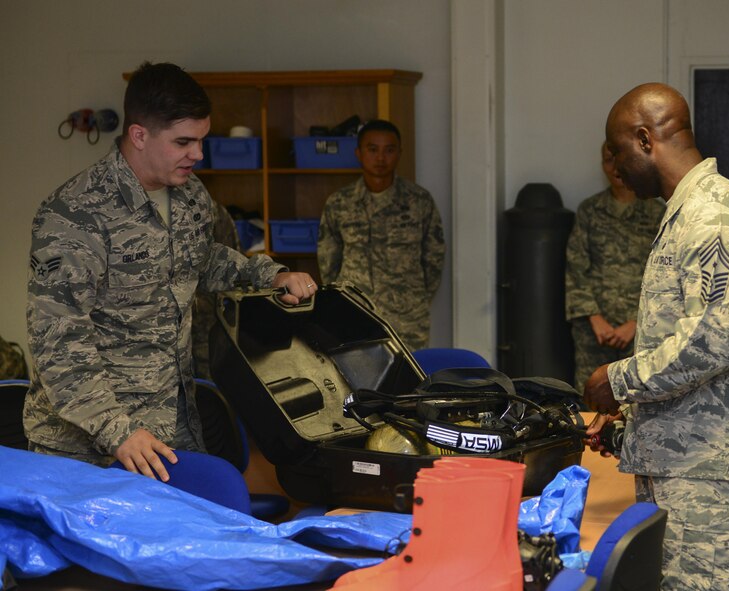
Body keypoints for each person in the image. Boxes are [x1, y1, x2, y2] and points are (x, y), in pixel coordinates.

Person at [24, 61, 317, 482]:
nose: (197, 154)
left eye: (201, 140)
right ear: (139, 135)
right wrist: (117, 430)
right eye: (183, 142)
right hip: (91, 446)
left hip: (171, 423)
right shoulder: (75, 214)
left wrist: (267, 275)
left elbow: (202, 258)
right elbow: (57, 340)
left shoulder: (190, 193)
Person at [584, 83, 729, 590]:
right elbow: (682, 339)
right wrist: (634, 422)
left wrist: (618, 379)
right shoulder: (686, 211)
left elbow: (714, 340)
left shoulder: (711, 215)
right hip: (691, 463)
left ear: (644, 139)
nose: (615, 166)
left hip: (717, 477)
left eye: (618, 152)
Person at [317, 119, 445, 351]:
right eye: (372, 149)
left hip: (407, 317)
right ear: (359, 153)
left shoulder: (419, 201)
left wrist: (413, 297)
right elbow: (328, 260)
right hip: (355, 313)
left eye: (389, 150)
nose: (381, 158)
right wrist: (341, 301)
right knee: (357, 380)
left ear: (399, 153)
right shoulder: (339, 203)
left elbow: (434, 258)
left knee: (411, 382)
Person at [565, 142, 664, 391]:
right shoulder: (590, 211)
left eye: (619, 159)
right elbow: (576, 267)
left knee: (639, 402)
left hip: (642, 332)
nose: (615, 167)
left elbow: (666, 277)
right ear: (602, 166)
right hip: (594, 334)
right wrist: (595, 318)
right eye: (608, 160)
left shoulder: (657, 212)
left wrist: (635, 323)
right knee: (591, 399)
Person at [191, 198, 240, 380]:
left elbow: (231, 265)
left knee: (212, 385)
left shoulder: (210, 209)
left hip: (208, 320)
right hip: (162, 333)